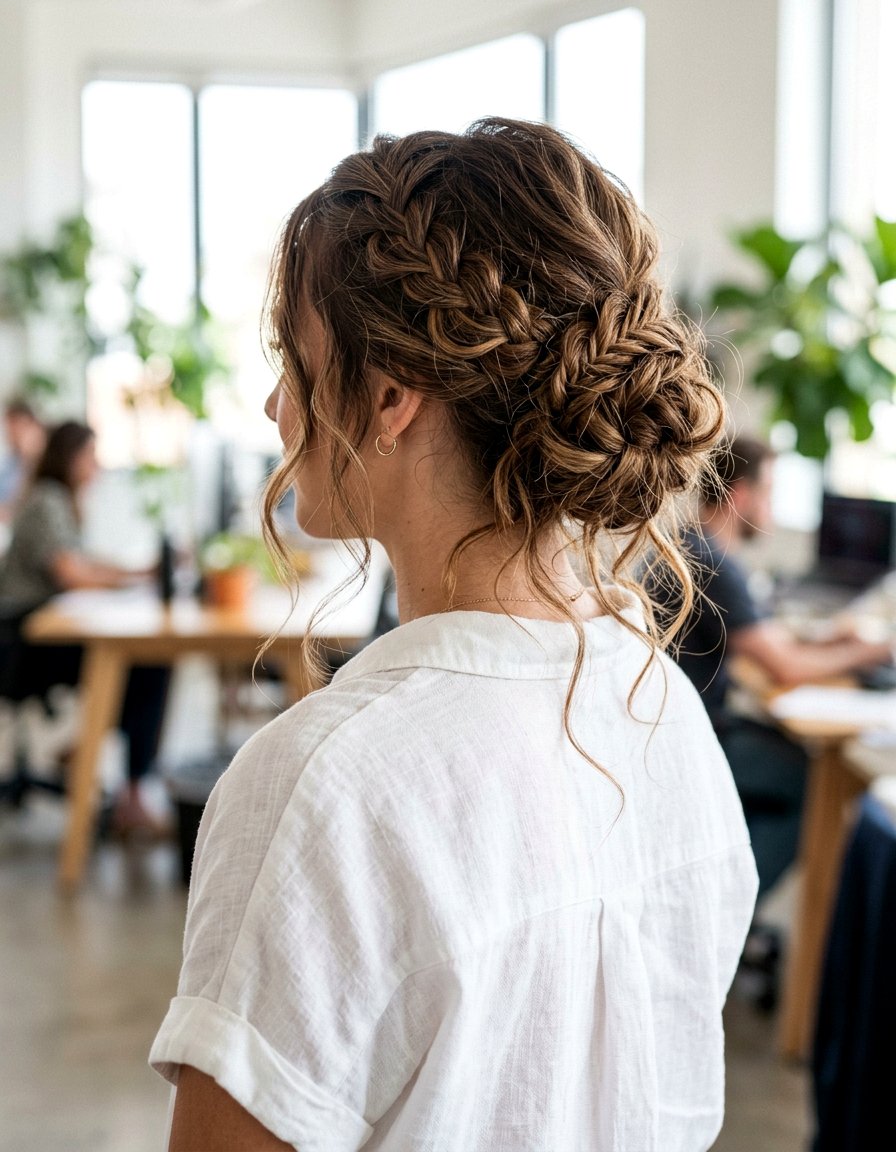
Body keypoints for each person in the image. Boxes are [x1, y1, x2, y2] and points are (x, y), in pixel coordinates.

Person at [150, 118, 758, 1151]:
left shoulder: (325, 787)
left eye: (296, 361)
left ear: (390, 394)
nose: (274, 403)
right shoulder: (661, 714)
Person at [668, 435, 892, 900]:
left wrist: (831, 639)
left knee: (790, 759)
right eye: (769, 492)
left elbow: (769, 640)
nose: (771, 508)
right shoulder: (712, 563)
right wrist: (875, 651)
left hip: (684, 727)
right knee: (811, 783)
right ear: (741, 495)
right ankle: (728, 908)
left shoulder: (691, 545)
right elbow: (785, 666)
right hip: (690, 742)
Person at [0, 420, 170, 833]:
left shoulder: (60, 501)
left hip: (37, 636)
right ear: (69, 457)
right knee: (147, 663)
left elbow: (86, 562)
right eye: (90, 456)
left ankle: (87, 747)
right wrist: (134, 580)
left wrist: (138, 572)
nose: (96, 466)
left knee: (144, 660)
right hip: (21, 647)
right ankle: (127, 790)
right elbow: (73, 574)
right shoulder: (47, 500)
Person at [0, 398, 46, 522]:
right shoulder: (10, 463)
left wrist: (28, 457)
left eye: (17, 427)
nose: (10, 434)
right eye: (9, 428)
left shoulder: (43, 463)